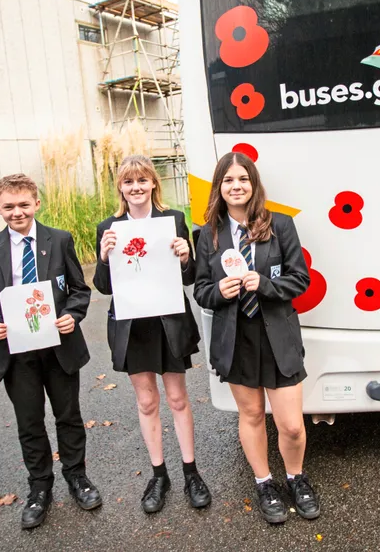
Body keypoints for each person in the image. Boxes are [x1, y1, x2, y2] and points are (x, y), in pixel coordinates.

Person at [0, 173, 101, 530]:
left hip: (58, 347)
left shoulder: (59, 241)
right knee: (29, 422)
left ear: (36, 203)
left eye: (23, 204)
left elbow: (78, 289)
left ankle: (77, 476)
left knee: (68, 415)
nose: (17, 212)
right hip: (16, 352)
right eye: (8, 207)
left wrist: (72, 315)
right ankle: (39, 487)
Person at [193, 152, 320, 524]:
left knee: (292, 425)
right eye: (228, 180)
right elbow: (201, 291)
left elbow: (300, 280)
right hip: (237, 339)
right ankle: (265, 482)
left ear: (253, 184)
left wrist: (264, 284)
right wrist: (221, 290)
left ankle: (296, 478)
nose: (236, 186)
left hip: (277, 336)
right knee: (250, 415)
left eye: (243, 179)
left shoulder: (280, 226)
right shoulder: (208, 235)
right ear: (219, 187)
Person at [93, 155, 211, 514]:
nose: (136, 187)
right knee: (147, 402)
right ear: (121, 188)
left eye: (142, 180)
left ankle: (191, 471)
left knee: (177, 399)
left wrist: (186, 256)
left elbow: (190, 278)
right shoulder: (109, 227)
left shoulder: (173, 220)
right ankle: (159, 474)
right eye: (129, 182)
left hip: (168, 323)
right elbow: (102, 287)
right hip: (132, 325)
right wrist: (102, 256)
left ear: (153, 184)